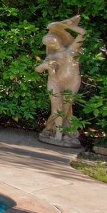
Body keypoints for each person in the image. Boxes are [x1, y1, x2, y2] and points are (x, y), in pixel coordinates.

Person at [35, 15, 86, 143]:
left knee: (66, 107)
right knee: (57, 108)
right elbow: (38, 69)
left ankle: (50, 127)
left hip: (72, 82)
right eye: (49, 44)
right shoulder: (52, 57)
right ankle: (58, 133)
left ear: (58, 39)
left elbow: (83, 33)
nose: (52, 44)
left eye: (53, 41)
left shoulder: (71, 50)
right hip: (56, 82)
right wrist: (45, 66)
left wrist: (69, 26)